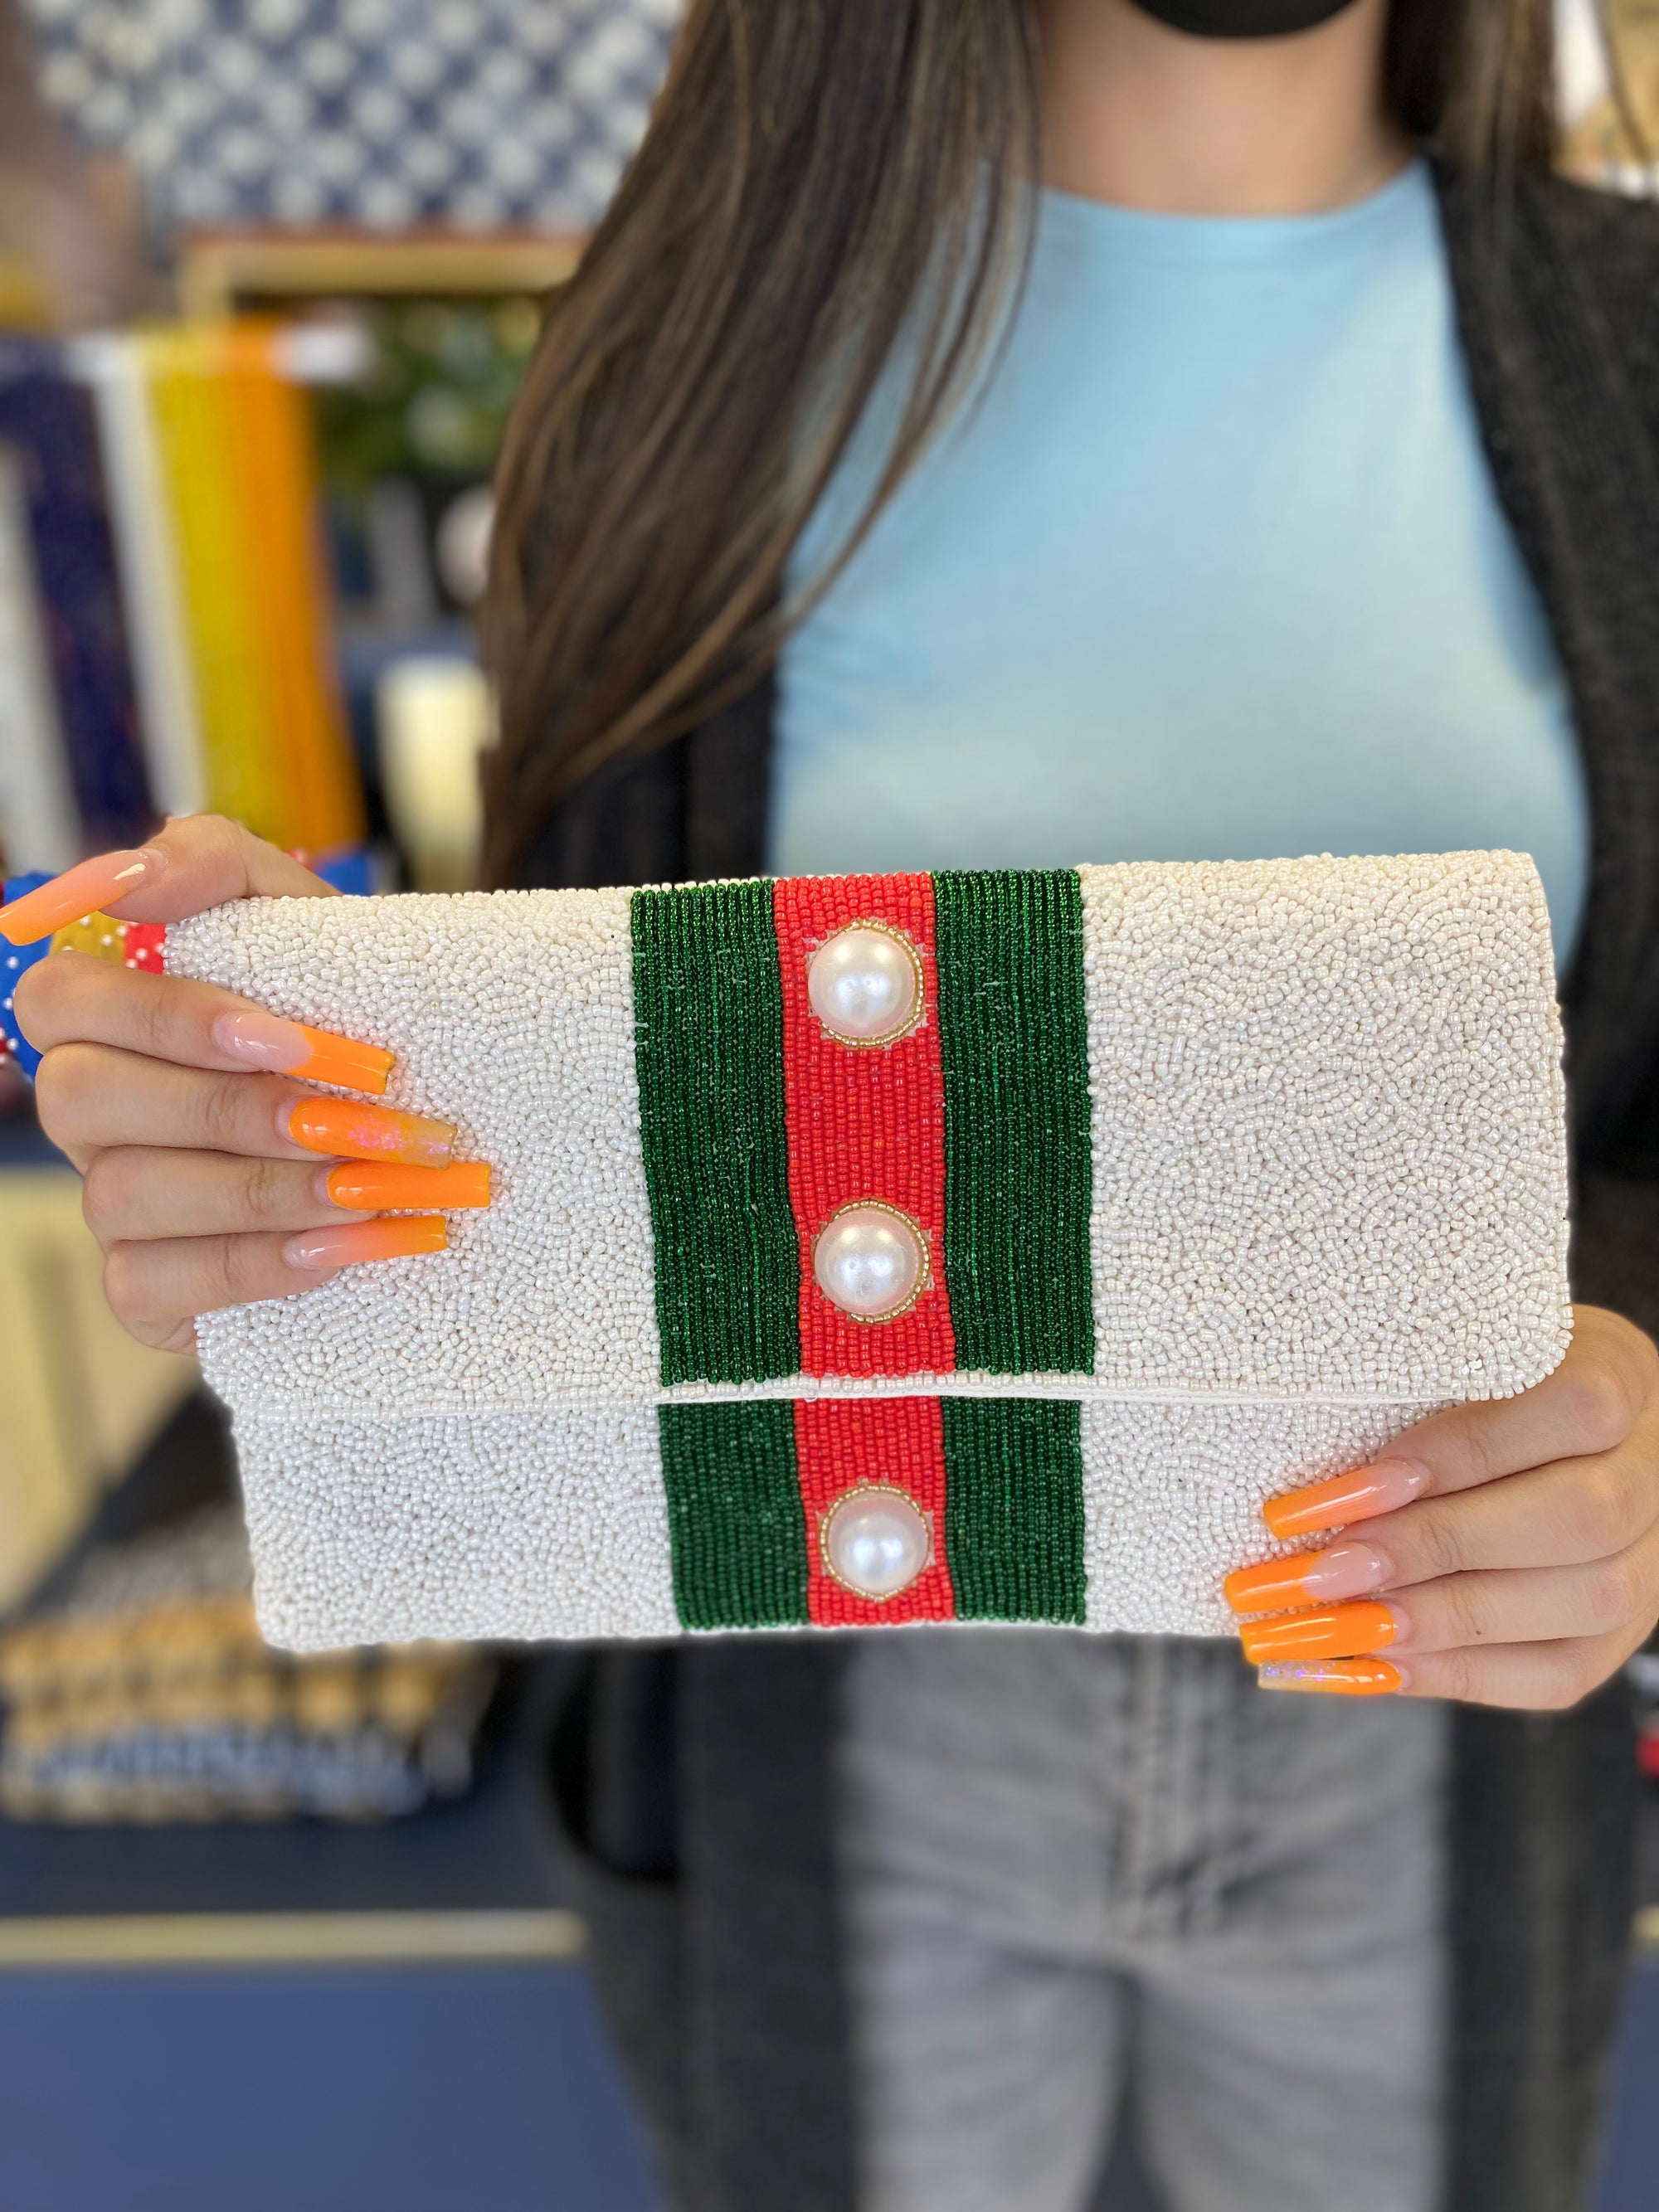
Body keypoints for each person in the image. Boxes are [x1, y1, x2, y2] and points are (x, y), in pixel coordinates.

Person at [8, 2, 1659, 2208]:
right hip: (844, 1718)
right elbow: (565, 1131)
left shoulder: (1633, 349)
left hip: (1437, 1730)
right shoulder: (698, 361)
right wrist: (288, 1090)